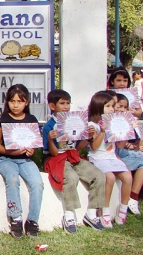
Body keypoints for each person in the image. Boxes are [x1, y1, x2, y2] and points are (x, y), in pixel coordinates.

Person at [42, 89, 105, 234]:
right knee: (71, 177)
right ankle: (69, 216)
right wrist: (51, 139)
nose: (66, 107)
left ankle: (91, 213)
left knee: (99, 175)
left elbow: (78, 147)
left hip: (73, 155)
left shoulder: (75, 122)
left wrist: (87, 137)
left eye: (68, 103)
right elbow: (52, 153)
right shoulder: (49, 126)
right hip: (56, 158)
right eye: (62, 103)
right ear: (52, 106)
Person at [0, 84, 43, 238]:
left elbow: (35, 144)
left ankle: (33, 220)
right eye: (12, 101)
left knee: (37, 183)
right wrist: (10, 151)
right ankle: (16, 218)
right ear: (7, 102)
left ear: (26, 102)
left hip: (25, 160)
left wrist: (32, 150)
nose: (15, 105)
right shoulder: (4, 120)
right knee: (12, 180)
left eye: (20, 101)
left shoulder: (31, 120)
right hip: (7, 159)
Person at [77, 91, 133, 228]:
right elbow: (95, 147)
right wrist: (102, 131)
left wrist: (125, 132)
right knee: (110, 178)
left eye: (112, 106)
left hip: (112, 157)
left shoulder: (113, 123)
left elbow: (119, 145)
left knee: (128, 177)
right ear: (99, 107)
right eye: (108, 106)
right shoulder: (93, 125)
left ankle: (123, 209)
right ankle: (104, 210)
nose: (112, 109)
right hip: (98, 158)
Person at [107, 69, 143, 202]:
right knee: (130, 150)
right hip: (117, 134)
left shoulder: (131, 94)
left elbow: (138, 112)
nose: (122, 83)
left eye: (125, 80)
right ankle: (133, 192)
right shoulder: (108, 96)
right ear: (112, 81)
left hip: (130, 128)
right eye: (118, 80)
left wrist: (130, 111)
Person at [114, 94, 143, 215]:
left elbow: (124, 146)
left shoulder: (128, 121)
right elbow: (118, 147)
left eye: (125, 107)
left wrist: (139, 146)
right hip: (112, 155)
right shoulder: (110, 121)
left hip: (122, 152)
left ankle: (134, 197)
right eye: (119, 106)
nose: (122, 109)